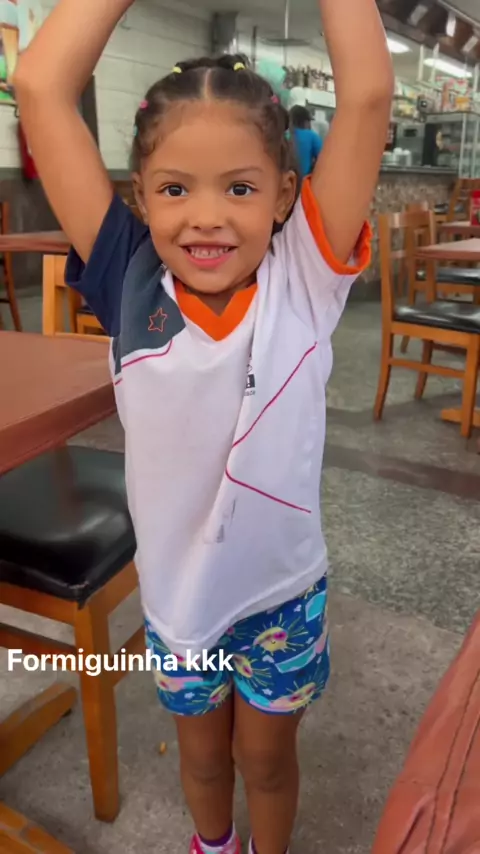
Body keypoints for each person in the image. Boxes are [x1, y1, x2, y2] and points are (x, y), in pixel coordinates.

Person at [14, 2, 393, 853]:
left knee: (266, 761)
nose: (207, 217)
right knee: (203, 759)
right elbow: (39, 85)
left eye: (241, 188)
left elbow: (368, 94)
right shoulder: (127, 275)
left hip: (281, 598)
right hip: (182, 604)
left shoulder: (305, 276)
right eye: (176, 189)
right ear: (140, 198)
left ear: (285, 195)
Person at [289, 105, 323, 179]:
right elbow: (323, 160)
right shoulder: (311, 136)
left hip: (283, 182)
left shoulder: (282, 134)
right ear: (305, 122)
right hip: (303, 182)